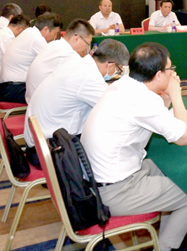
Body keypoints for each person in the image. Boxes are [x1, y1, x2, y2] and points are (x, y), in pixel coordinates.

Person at [82, 43, 187, 251]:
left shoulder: (122, 85)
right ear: (158, 75)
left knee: (171, 170)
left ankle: (171, 235)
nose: (173, 73)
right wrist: (176, 94)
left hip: (99, 179)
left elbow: (154, 113)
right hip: (115, 190)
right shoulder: (142, 100)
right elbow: (184, 137)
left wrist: (165, 97)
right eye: (170, 69)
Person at [23, 39, 129, 169]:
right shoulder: (88, 77)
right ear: (110, 65)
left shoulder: (78, 64)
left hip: (40, 142)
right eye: (118, 69)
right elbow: (116, 108)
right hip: (50, 152)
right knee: (112, 140)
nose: (116, 73)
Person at [24, 19, 95, 103]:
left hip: (35, 100)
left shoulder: (53, 44)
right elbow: (87, 78)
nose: (86, 47)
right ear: (76, 39)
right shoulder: (67, 53)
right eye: (87, 43)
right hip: (45, 103)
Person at [0, 12, 62, 103]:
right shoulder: (36, 39)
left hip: (9, 86)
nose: (55, 37)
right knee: (57, 94)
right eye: (55, 33)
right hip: (13, 89)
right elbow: (54, 63)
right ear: (46, 29)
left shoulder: (29, 32)